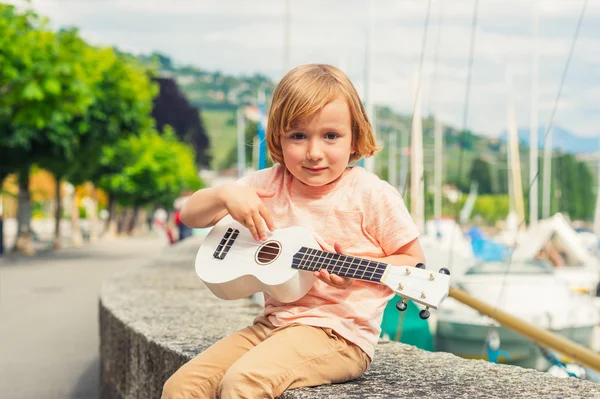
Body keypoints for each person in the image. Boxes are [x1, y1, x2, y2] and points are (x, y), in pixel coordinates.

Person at [162, 64, 425, 399]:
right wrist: (225, 194)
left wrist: (354, 273)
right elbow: (190, 215)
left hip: (339, 335)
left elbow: (414, 263)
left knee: (244, 382)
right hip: (273, 326)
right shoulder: (267, 185)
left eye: (330, 136)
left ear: (355, 137)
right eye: (298, 136)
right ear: (278, 138)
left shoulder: (371, 194)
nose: (314, 152)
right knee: (182, 386)